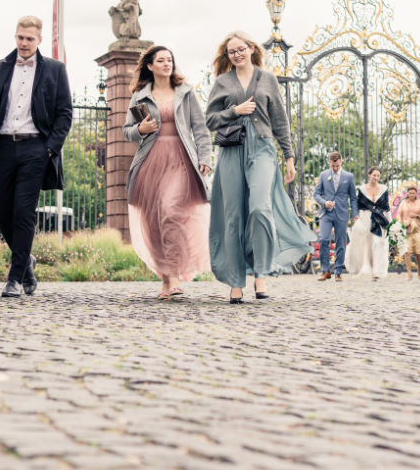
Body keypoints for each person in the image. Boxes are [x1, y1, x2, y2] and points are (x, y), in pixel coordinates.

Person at [0, 16, 73, 298]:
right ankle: (27, 264)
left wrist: (50, 149)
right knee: (2, 212)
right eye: (20, 37)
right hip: (3, 148)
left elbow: (65, 113)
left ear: (39, 41)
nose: (24, 43)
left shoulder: (55, 70)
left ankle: (14, 279)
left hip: (36, 149)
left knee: (23, 213)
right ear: (15, 37)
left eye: (29, 39)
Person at [206, 31, 313, 303]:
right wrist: (234, 111)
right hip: (231, 150)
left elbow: (280, 119)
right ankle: (235, 283)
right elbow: (210, 120)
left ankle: (261, 274)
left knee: (259, 208)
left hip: (263, 149)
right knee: (233, 216)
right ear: (227, 56)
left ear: (252, 49)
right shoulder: (222, 82)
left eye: (241, 49)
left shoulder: (268, 79)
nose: (237, 54)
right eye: (232, 51)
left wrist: (289, 156)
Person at [123, 45, 212, 299]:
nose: (166, 64)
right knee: (153, 220)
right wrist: (140, 129)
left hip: (180, 159)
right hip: (150, 162)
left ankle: (174, 274)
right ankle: (165, 278)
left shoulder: (185, 92)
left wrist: (204, 157)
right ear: (150, 66)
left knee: (169, 209)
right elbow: (127, 131)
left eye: (169, 59)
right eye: (160, 60)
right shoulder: (140, 96)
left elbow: (201, 129)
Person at [313, 150, 358, 281]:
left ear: (341, 161)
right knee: (323, 239)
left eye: (337, 165)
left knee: (341, 242)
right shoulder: (323, 175)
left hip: (342, 213)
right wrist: (324, 202)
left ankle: (338, 271)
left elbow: (353, 198)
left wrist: (355, 214)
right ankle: (325, 271)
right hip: (326, 214)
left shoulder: (349, 177)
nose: (335, 168)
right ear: (329, 163)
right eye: (333, 166)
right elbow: (316, 194)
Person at [347, 166, 389, 281]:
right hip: (365, 217)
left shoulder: (384, 189)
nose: (376, 177)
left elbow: (386, 207)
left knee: (378, 243)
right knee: (366, 244)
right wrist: (357, 217)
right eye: (374, 175)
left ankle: (376, 271)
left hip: (379, 219)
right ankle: (361, 267)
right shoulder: (362, 189)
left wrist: (389, 223)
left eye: (378, 175)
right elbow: (358, 204)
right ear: (369, 175)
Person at [397, 185, 420, 280]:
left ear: (416, 194)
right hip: (407, 228)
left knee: (418, 252)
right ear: (407, 193)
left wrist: (417, 216)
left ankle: (419, 269)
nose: (411, 194)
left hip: (417, 228)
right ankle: (409, 273)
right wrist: (400, 225)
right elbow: (399, 215)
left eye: (413, 193)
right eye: (410, 193)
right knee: (407, 251)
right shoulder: (403, 203)